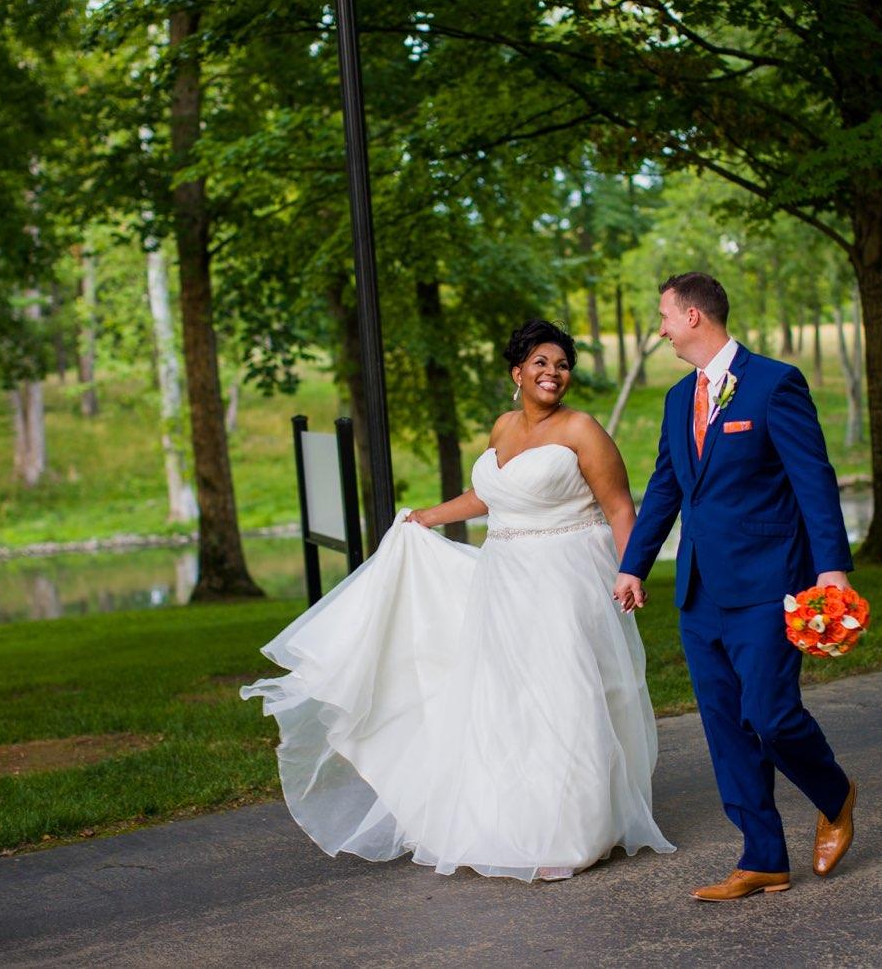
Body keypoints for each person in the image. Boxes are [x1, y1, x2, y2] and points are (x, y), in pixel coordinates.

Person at [242, 318, 674, 882]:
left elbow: (619, 508)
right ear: (517, 373)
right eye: (541, 363)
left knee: (564, 694)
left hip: (568, 579)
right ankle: (516, 820)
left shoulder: (582, 430)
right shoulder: (502, 426)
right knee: (508, 701)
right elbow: (487, 495)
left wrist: (630, 570)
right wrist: (426, 517)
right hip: (505, 580)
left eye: (562, 364)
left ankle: (576, 831)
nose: (553, 373)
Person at [613, 272, 858, 902]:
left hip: (768, 585)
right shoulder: (676, 400)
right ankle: (762, 859)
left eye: (664, 314)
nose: (660, 326)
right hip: (699, 592)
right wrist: (635, 564)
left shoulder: (776, 384)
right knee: (725, 726)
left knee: (769, 717)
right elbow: (667, 487)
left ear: (693, 316)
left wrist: (831, 568)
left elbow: (813, 480)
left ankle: (834, 795)